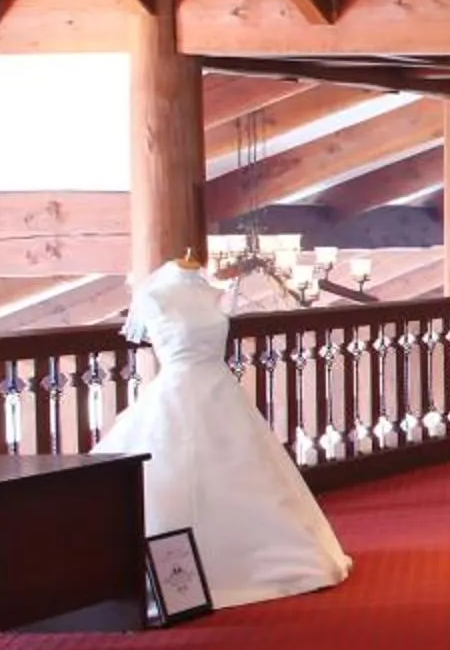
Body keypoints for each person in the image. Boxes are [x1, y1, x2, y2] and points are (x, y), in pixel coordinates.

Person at [98, 259, 351, 609]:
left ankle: (263, 558)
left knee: (247, 471)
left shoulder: (209, 289)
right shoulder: (155, 294)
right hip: (177, 391)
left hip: (220, 389)